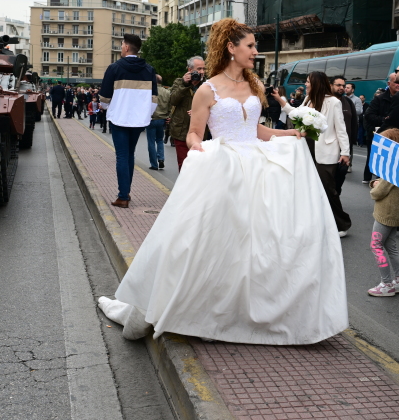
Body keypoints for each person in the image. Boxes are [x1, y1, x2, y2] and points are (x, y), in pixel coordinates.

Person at [97, 18, 348, 344]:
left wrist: (289, 133)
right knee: (215, 243)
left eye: (255, 46)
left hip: (258, 167)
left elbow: (257, 130)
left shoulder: (256, 85)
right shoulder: (207, 89)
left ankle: (251, 309)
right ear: (231, 48)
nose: (256, 52)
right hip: (225, 168)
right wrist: (199, 147)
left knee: (262, 242)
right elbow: (194, 133)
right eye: (251, 46)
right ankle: (204, 310)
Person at [282, 71, 352, 236]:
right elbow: (294, 113)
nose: (306, 84)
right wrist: (280, 100)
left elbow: (341, 129)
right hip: (306, 148)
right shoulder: (308, 100)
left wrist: (345, 152)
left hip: (326, 151)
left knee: (328, 188)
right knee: (310, 187)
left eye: (308, 81)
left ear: (316, 83)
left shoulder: (333, 102)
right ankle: (318, 222)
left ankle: (342, 224)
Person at [99, 34, 158, 208]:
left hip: (119, 119)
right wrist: (144, 114)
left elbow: (103, 99)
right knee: (129, 155)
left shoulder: (114, 68)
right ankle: (126, 192)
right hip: (139, 121)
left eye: (122, 44)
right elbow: (154, 99)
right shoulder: (149, 70)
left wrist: (108, 108)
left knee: (122, 156)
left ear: (126, 47)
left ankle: (123, 196)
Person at [366, 128, 399, 297]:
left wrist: (374, 186)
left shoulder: (395, 168)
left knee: (376, 246)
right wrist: (376, 183)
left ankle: (386, 284)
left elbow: (379, 192)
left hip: (385, 213)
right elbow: (380, 184)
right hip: (394, 214)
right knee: (391, 247)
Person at [363, 74, 399, 184]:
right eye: (396, 82)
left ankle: (385, 181)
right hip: (378, 134)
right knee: (373, 157)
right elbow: (369, 115)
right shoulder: (379, 99)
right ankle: (369, 178)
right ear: (389, 84)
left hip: (396, 136)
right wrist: (385, 119)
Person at [169, 56, 205, 171]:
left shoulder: (207, 86)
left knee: (200, 167)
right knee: (184, 166)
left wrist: (199, 112)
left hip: (201, 133)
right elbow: (173, 101)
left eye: (204, 69)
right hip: (182, 132)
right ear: (189, 70)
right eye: (199, 69)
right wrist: (185, 85)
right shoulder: (179, 82)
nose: (202, 72)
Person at [331, 76, 357, 189]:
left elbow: (354, 123)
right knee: (328, 180)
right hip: (329, 147)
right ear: (331, 85)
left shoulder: (348, 102)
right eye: (338, 85)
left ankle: (336, 197)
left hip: (344, 147)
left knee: (340, 177)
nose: (342, 88)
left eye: (343, 86)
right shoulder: (325, 101)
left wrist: (351, 144)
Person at [146, 75, 171, 170]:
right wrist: (168, 116)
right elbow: (170, 106)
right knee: (160, 140)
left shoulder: (150, 91)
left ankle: (154, 164)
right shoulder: (167, 92)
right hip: (162, 119)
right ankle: (161, 158)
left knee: (151, 141)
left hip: (151, 119)